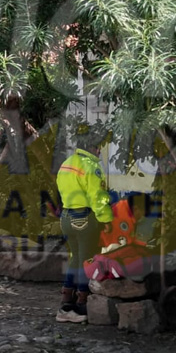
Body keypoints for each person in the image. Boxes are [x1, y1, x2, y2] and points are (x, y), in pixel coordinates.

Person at [54, 125, 113, 324]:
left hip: (67, 217)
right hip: (84, 218)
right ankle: (81, 304)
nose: (99, 151)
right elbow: (97, 197)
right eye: (98, 147)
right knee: (87, 261)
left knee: (75, 258)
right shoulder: (90, 166)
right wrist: (107, 221)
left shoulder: (67, 164)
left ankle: (66, 302)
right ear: (92, 147)